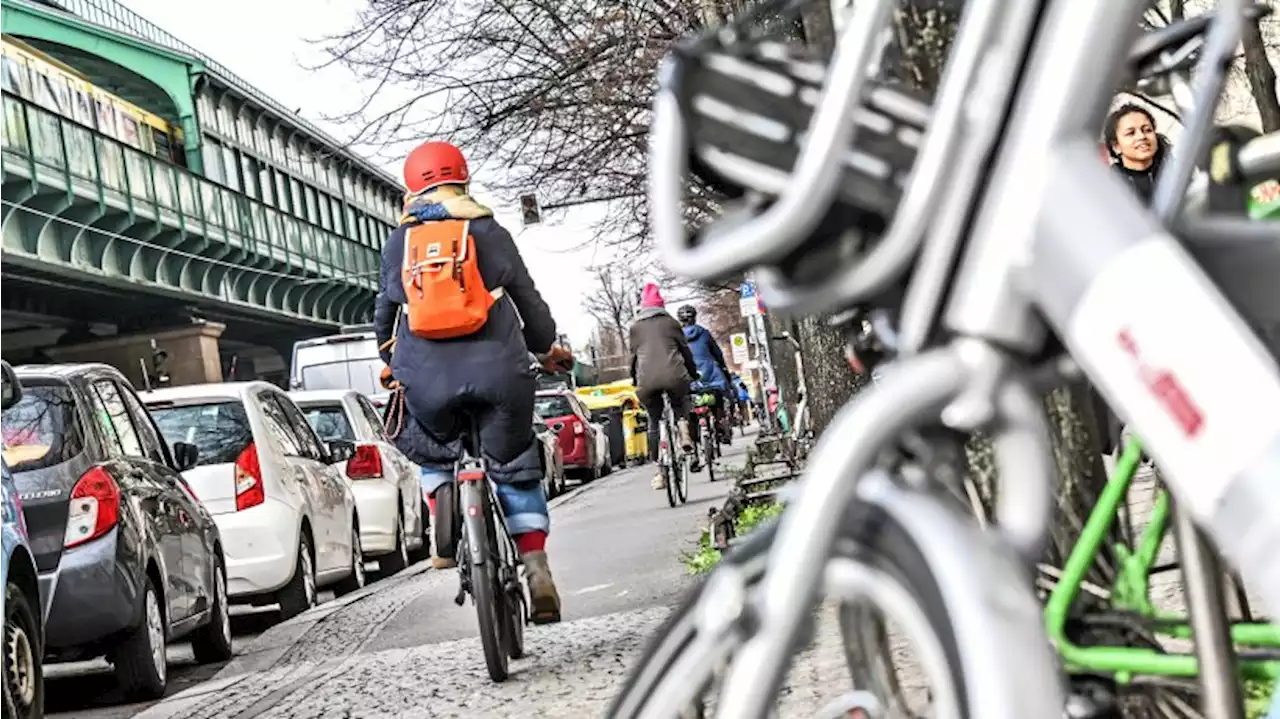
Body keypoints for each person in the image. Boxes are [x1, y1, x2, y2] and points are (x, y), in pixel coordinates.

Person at [374, 140, 571, 625]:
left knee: (432, 438)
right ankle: (536, 566)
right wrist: (546, 349)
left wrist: (388, 358)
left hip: (426, 377)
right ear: (463, 179)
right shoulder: (487, 229)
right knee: (514, 459)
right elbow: (527, 299)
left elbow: (385, 311)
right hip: (499, 370)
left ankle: (442, 502)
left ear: (411, 188)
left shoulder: (400, 242)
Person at [629, 283, 698, 490]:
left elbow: (632, 359)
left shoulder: (635, 328)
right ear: (661, 305)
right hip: (674, 376)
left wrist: (634, 379)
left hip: (647, 382)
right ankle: (683, 427)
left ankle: (659, 467)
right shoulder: (671, 323)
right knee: (679, 404)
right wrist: (692, 373)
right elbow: (685, 352)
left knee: (653, 419)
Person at [677, 305, 732, 448]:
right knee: (717, 396)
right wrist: (724, 368)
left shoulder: (677, 337)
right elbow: (717, 353)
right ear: (694, 318)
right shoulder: (704, 333)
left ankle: (692, 444)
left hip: (689, 376)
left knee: (689, 407)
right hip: (710, 374)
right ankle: (720, 425)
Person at [1104, 103, 1171, 204]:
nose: (1141, 136)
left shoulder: (1174, 173)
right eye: (1131, 133)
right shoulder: (1110, 186)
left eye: (1147, 130)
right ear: (1116, 146)